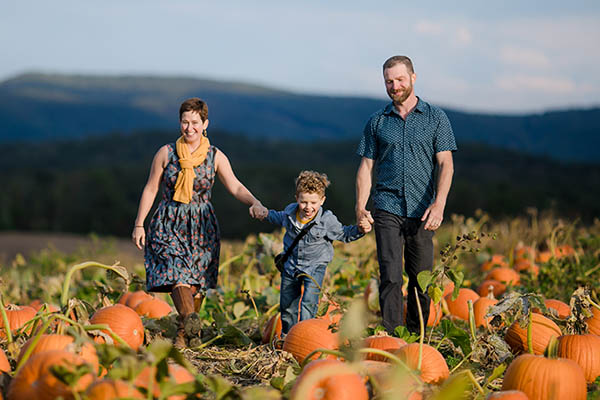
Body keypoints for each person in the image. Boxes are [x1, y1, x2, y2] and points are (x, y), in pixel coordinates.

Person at [132, 97, 268, 346]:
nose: (189, 127)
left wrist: (254, 202)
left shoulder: (215, 156)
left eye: (195, 122)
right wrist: (139, 223)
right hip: (169, 221)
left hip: (202, 226)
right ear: (179, 123)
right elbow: (151, 188)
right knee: (176, 271)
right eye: (185, 122)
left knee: (197, 281)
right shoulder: (166, 153)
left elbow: (235, 186)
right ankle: (190, 318)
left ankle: (186, 334)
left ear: (205, 124)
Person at [355, 55, 457, 335]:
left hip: (423, 209)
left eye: (400, 79)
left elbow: (446, 163)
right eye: (389, 81)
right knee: (389, 274)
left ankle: (417, 336)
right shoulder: (377, 122)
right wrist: (360, 206)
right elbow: (366, 167)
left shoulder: (436, 118)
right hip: (386, 205)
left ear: (413, 77)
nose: (394, 85)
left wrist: (439, 203)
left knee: (420, 278)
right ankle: (392, 336)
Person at [262, 170, 371, 335]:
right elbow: (276, 217)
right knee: (287, 305)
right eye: (304, 202)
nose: (308, 207)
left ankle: (303, 336)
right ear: (296, 198)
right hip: (291, 265)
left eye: (313, 202)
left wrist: (361, 229)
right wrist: (263, 214)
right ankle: (287, 338)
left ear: (322, 200)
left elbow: (345, 234)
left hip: (315, 267)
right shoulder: (290, 214)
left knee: (308, 302)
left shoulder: (327, 220)